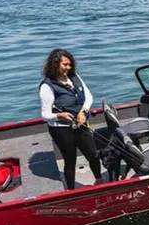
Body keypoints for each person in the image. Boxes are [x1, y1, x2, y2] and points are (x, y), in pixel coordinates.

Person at [39, 48, 103, 189]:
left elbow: (89, 96)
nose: (68, 68)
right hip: (61, 130)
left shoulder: (74, 77)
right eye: (65, 65)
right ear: (55, 65)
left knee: (93, 154)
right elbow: (45, 115)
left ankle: (99, 180)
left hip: (81, 124)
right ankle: (71, 190)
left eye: (70, 64)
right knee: (70, 160)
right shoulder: (47, 86)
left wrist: (83, 111)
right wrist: (59, 115)